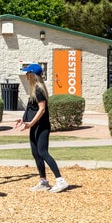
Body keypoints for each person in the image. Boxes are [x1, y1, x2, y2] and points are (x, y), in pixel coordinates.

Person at [15, 64, 69, 193]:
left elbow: (42, 109)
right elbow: (31, 108)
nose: (26, 75)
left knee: (43, 152)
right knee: (36, 153)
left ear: (32, 74)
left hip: (42, 126)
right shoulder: (33, 89)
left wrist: (32, 123)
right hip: (34, 125)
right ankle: (43, 182)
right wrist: (23, 119)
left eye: (28, 73)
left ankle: (60, 180)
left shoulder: (39, 89)